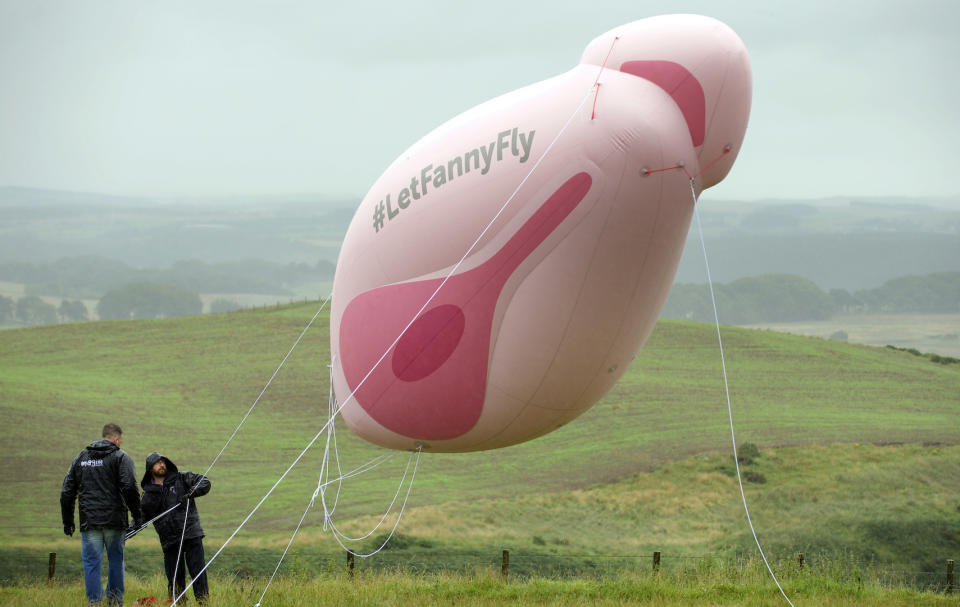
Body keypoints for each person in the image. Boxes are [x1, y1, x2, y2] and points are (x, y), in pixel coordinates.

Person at [60, 423, 142, 606]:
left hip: (90, 523)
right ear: (116, 439)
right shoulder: (121, 457)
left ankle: (94, 602)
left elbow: (67, 492)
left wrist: (68, 521)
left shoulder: (81, 458)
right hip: (115, 521)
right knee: (115, 560)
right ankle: (115, 601)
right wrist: (137, 515)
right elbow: (129, 487)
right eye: (120, 440)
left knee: (91, 563)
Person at [140, 452, 211, 602]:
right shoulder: (148, 495)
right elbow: (141, 517)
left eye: (163, 462)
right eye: (157, 463)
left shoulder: (182, 478)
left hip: (191, 534)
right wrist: (130, 529)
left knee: (198, 573)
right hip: (169, 541)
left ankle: (203, 603)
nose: (162, 465)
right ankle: (179, 603)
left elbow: (205, 482)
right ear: (150, 468)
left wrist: (193, 492)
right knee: (175, 580)